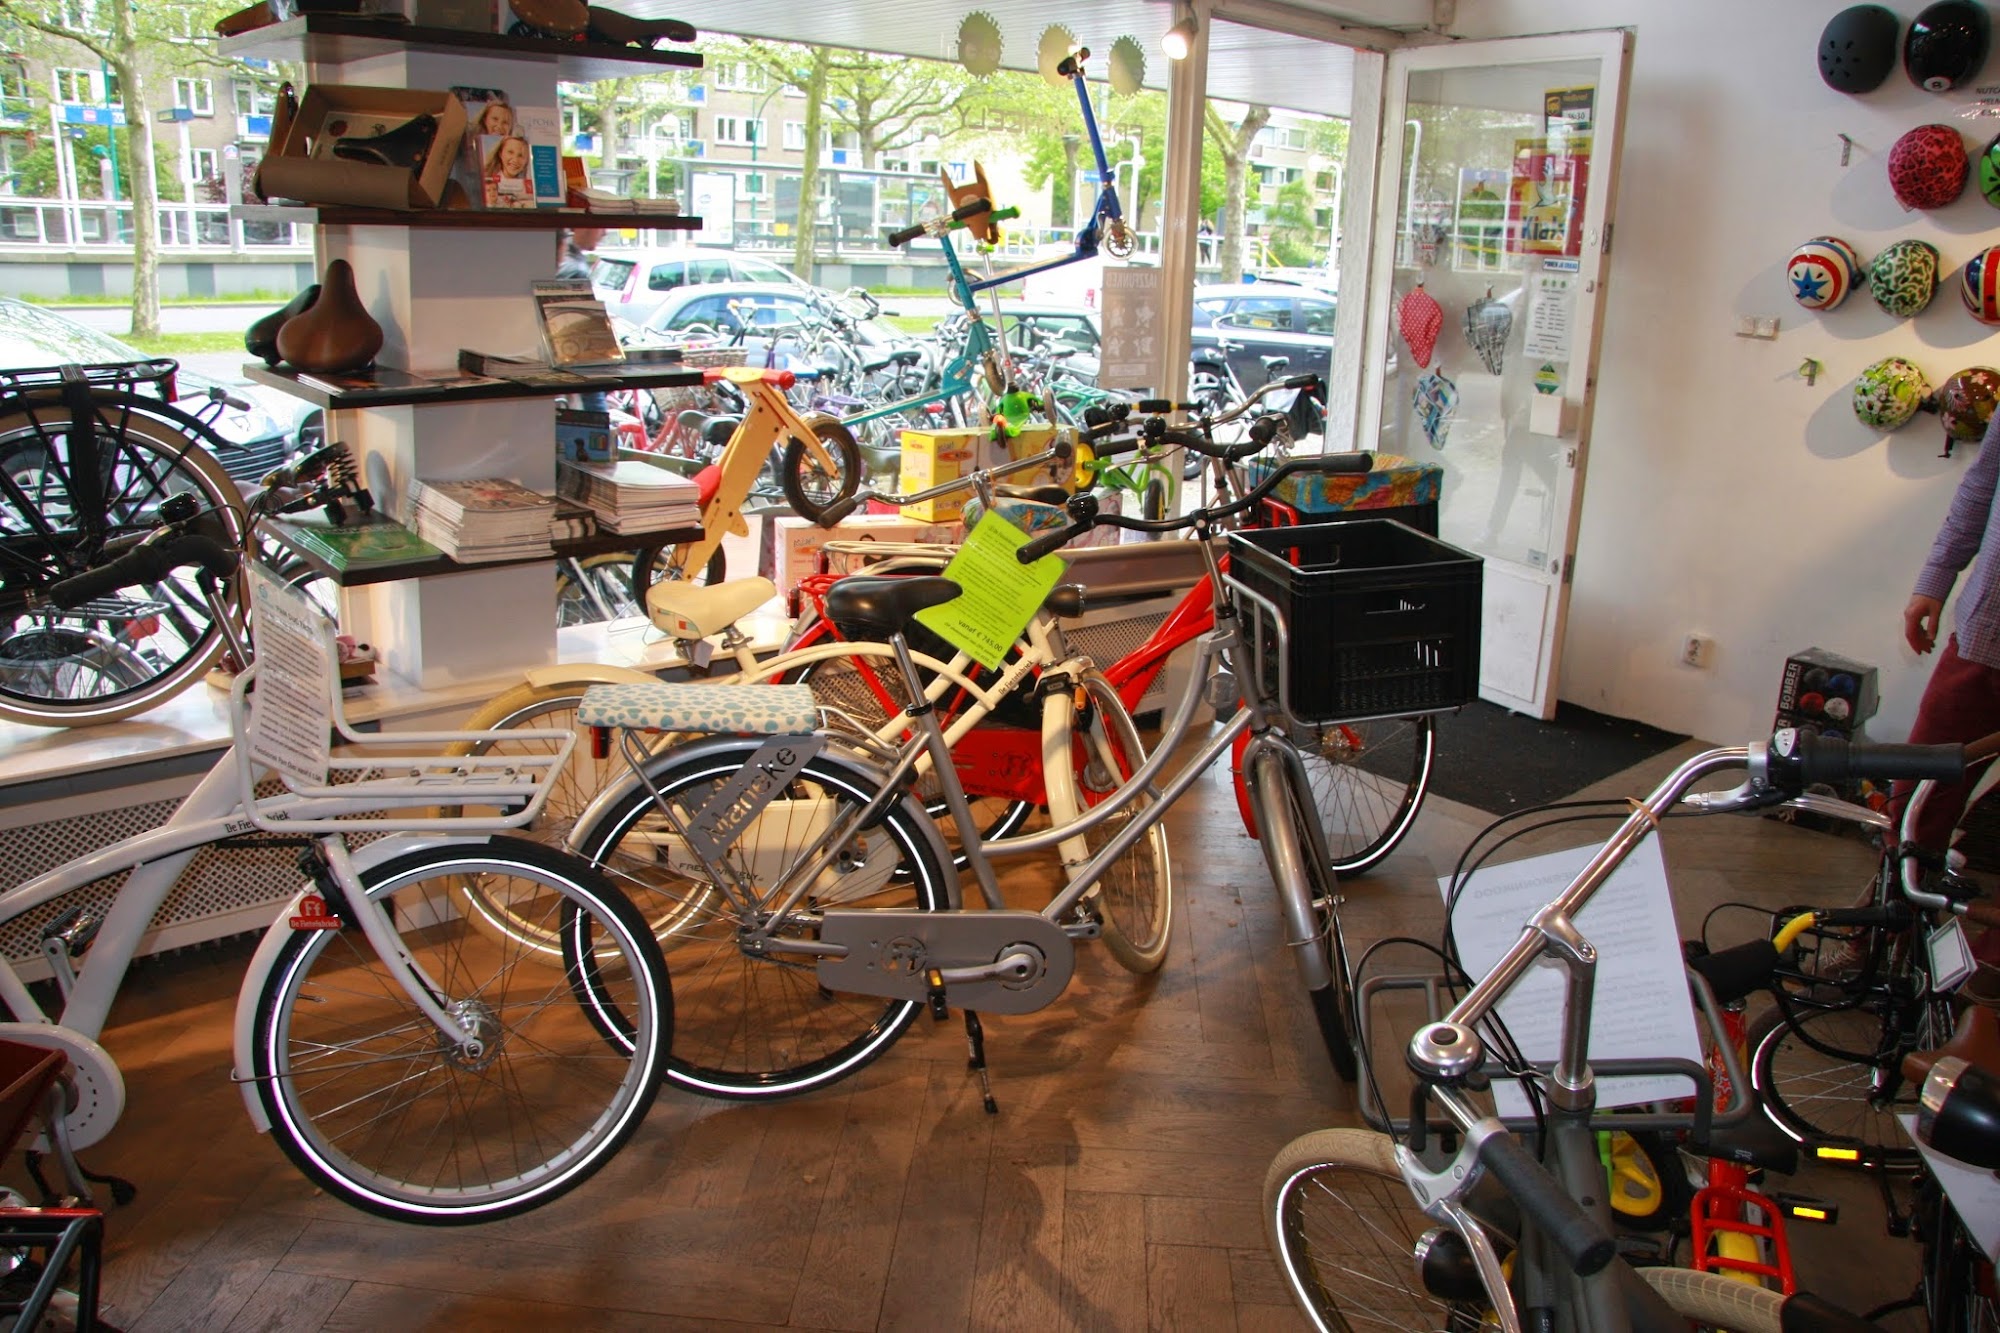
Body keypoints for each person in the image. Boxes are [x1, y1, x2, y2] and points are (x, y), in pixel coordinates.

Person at [1899, 416, 2000, 890]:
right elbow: (1981, 487)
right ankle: (1891, 923)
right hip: (1988, 638)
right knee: (1917, 800)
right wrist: (1936, 578)